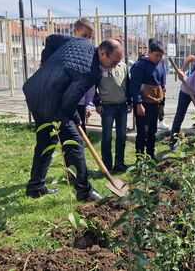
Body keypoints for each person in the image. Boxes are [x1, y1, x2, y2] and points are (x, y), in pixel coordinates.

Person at [23, 38, 124, 202]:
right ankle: (84, 192)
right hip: (51, 99)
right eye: (114, 62)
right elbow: (68, 104)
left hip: (34, 92)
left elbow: (51, 39)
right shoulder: (90, 72)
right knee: (75, 144)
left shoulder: (81, 42)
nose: (114, 66)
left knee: (46, 141)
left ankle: (35, 187)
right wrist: (78, 121)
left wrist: (48, 63)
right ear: (102, 53)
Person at [94, 39, 131, 173]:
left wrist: (129, 102)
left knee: (122, 136)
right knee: (107, 136)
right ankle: (107, 165)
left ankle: (119, 163)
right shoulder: (98, 67)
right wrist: (97, 103)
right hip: (107, 107)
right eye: (114, 61)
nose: (116, 64)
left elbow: (128, 85)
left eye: (118, 61)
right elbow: (92, 87)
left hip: (122, 106)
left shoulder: (123, 67)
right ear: (105, 55)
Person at [130, 40, 165, 161]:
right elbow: (134, 86)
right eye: (156, 55)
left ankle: (150, 154)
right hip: (143, 105)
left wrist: (162, 104)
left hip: (155, 104)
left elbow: (162, 86)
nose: (158, 58)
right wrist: (138, 104)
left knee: (152, 131)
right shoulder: (139, 65)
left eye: (161, 56)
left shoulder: (160, 66)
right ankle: (140, 158)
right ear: (149, 52)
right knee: (142, 132)